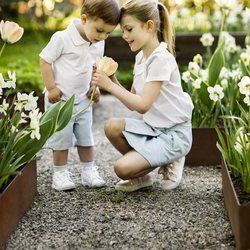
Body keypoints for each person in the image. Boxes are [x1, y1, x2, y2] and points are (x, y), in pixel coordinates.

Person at [91, 0, 193, 192]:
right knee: (111, 126)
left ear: (149, 26)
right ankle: (143, 176)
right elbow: (132, 102)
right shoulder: (141, 57)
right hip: (153, 129)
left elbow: (143, 105)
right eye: (123, 30)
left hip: (173, 134)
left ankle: (172, 157)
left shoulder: (161, 59)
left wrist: (108, 87)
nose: (124, 36)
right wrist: (112, 80)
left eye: (129, 29)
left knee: (121, 168)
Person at [39, 0, 120, 191]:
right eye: (100, 30)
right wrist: (51, 88)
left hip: (83, 100)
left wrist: (95, 87)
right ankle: (60, 173)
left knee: (86, 137)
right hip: (60, 100)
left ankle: (88, 171)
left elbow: (95, 67)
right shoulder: (62, 38)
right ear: (84, 19)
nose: (103, 36)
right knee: (61, 138)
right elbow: (44, 60)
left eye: (108, 32)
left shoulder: (97, 42)